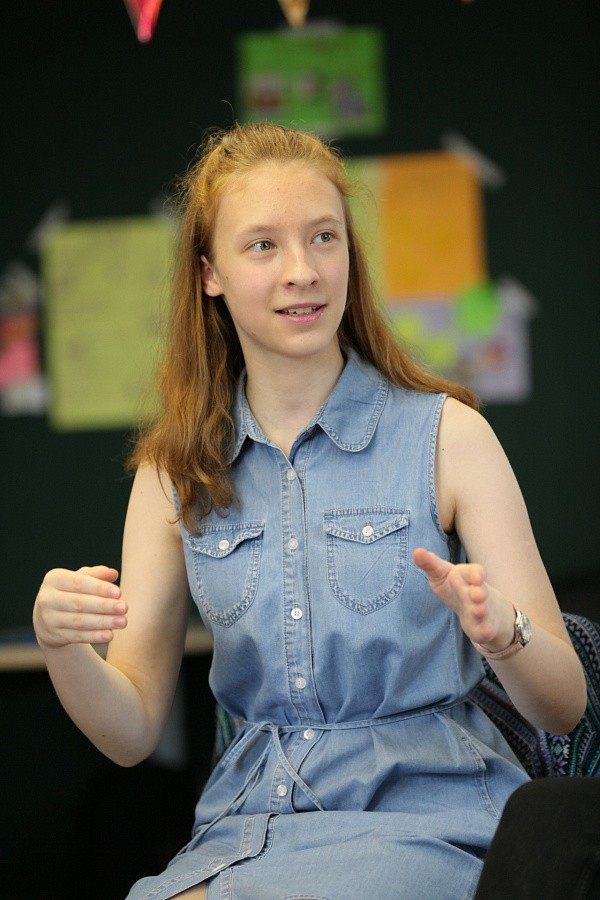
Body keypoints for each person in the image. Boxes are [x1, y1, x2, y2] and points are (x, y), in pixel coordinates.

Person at [33, 122, 586, 900]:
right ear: (210, 273)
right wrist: (61, 647)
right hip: (245, 829)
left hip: (426, 822)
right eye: (263, 245)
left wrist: (506, 635)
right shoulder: (172, 472)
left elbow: (564, 706)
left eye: (324, 237)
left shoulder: (450, 437)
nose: (304, 271)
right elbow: (130, 734)